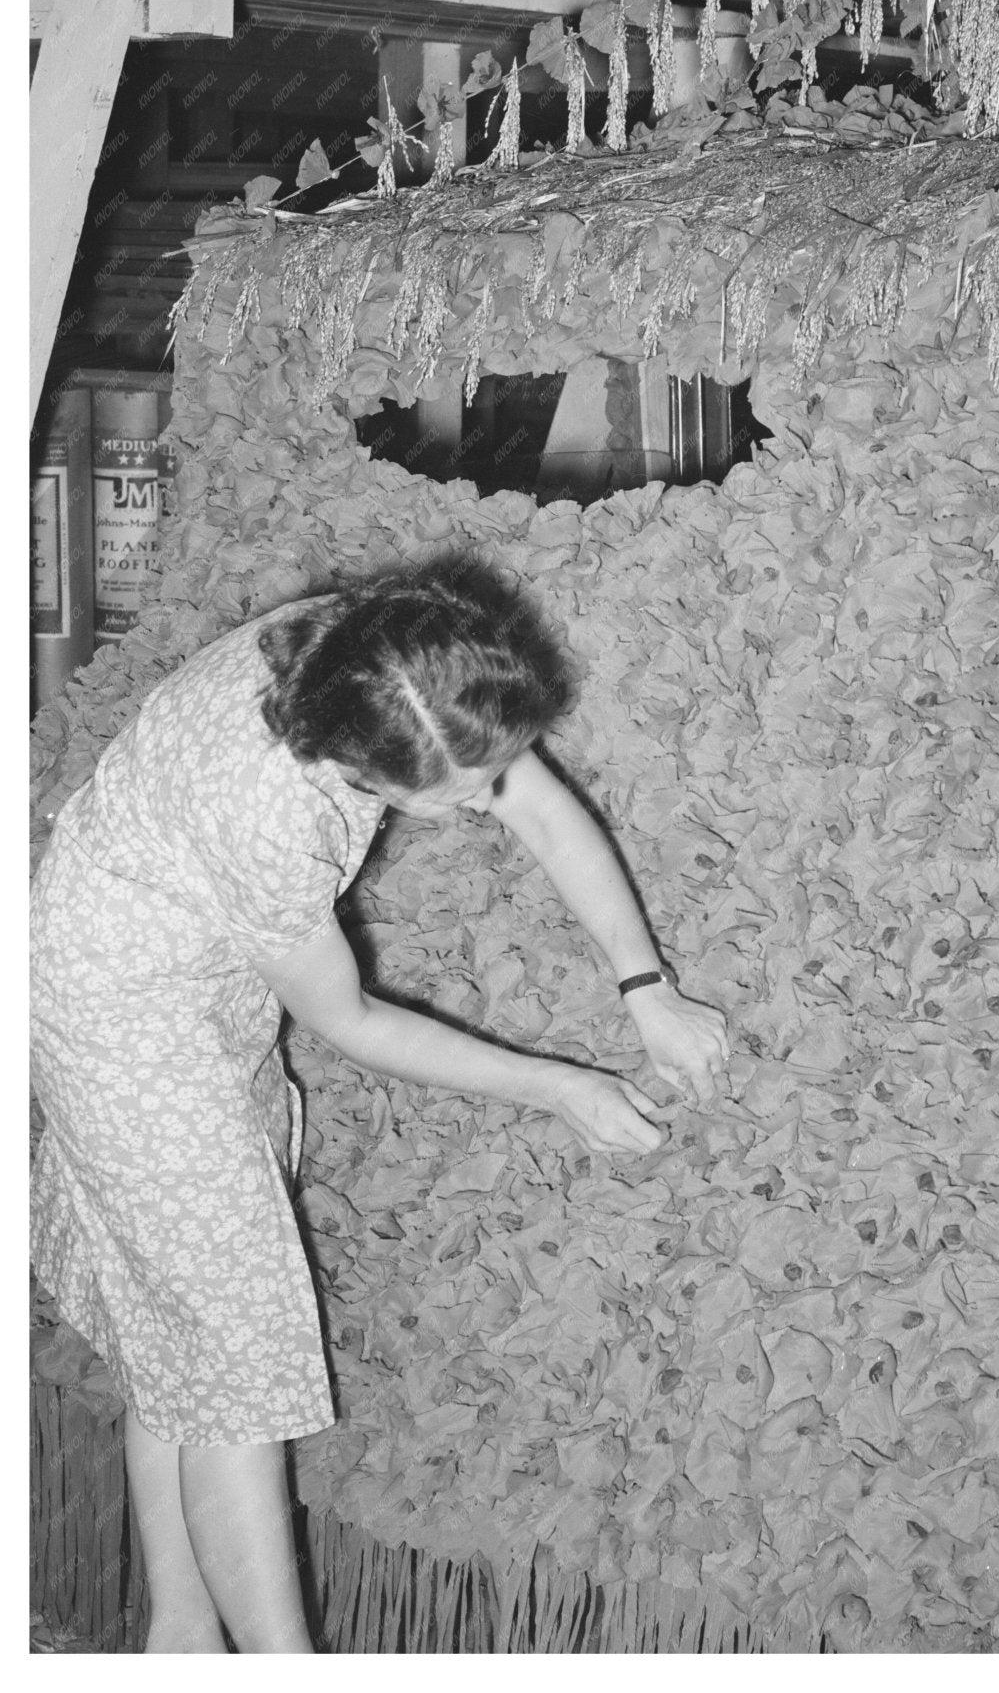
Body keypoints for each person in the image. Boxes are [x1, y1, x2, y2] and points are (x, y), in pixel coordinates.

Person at [29, 560, 729, 1654]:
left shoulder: (376, 656)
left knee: (189, 1326)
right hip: (114, 1009)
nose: (482, 807)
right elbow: (352, 1019)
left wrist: (647, 987)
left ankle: (180, 1640)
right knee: (236, 1358)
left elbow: (537, 805)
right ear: (350, 766)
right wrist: (561, 1085)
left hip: (197, 971)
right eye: (457, 798)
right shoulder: (266, 805)